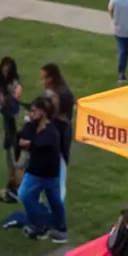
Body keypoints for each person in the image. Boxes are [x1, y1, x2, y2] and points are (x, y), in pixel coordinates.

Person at [15, 97, 67, 242]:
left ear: (43, 112)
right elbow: (22, 136)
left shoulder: (52, 133)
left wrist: (29, 144)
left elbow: (39, 144)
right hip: (35, 171)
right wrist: (25, 141)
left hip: (48, 174)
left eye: (33, 111)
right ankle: (41, 224)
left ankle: (55, 226)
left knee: (54, 201)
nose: (30, 114)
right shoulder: (33, 125)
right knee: (25, 195)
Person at [40, 62, 74, 201]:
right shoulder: (54, 92)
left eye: (44, 78)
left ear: (51, 78)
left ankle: (57, 211)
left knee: (59, 176)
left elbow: (56, 116)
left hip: (60, 140)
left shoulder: (62, 95)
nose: (42, 81)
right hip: (52, 139)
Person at [0, 56, 23, 164]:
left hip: (10, 107)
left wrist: (11, 96)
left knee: (11, 127)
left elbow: (16, 93)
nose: (5, 70)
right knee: (8, 127)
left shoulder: (14, 80)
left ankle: (12, 144)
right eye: (4, 68)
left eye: (8, 68)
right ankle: (10, 143)